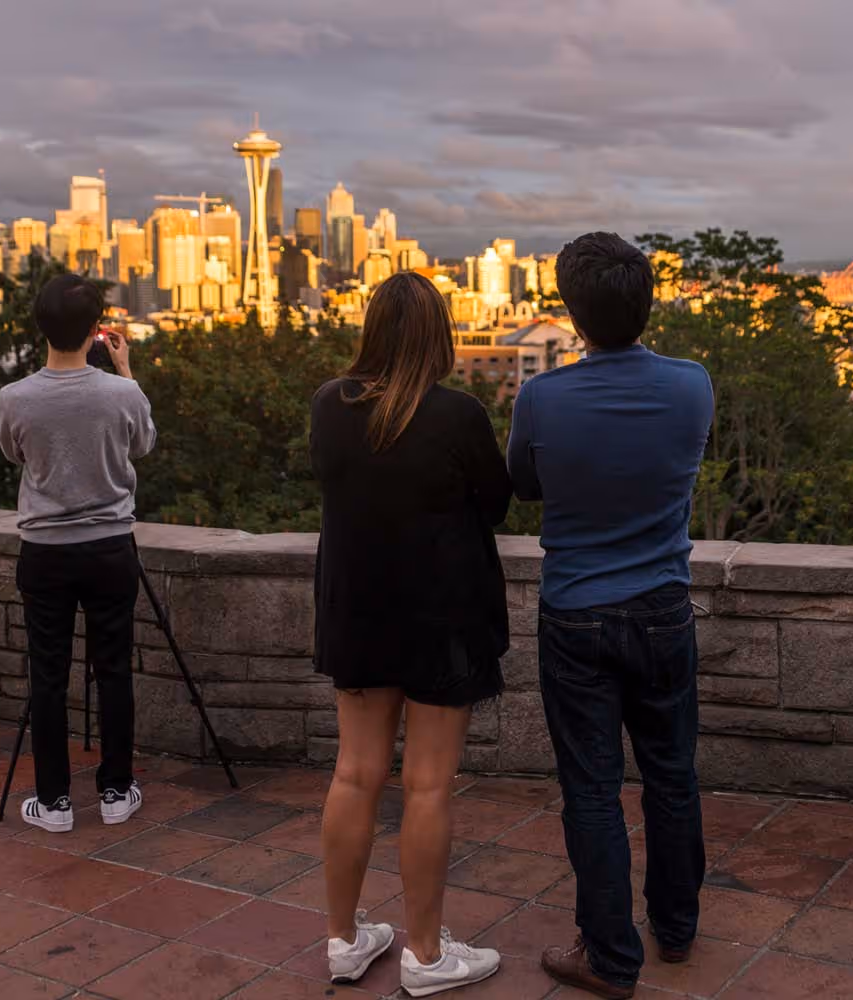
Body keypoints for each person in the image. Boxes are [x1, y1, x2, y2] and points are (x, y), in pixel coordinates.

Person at [508, 232, 715, 999]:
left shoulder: (542, 397)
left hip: (576, 614)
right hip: (663, 608)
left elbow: (523, 485)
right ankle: (677, 927)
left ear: (574, 312)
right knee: (672, 775)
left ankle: (609, 956)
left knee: (592, 789)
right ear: (646, 302)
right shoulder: (693, 385)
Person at [310, 271, 508, 994]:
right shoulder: (457, 414)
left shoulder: (329, 404)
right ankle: (425, 955)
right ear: (438, 336)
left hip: (357, 609)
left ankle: (342, 940)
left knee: (354, 772)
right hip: (442, 617)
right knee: (427, 785)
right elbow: (497, 503)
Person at [0, 273, 156, 834]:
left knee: (48, 675)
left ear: (40, 327)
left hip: (45, 551)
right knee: (113, 670)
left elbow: (15, 453)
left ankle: (54, 802)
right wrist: (125, 371)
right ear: (95, 331)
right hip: (110, 547)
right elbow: (143, 444)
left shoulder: (14, 397)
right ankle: (115, 791)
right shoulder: (122, 393)